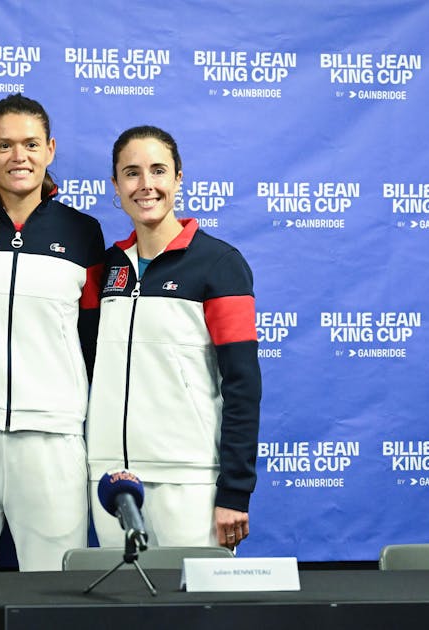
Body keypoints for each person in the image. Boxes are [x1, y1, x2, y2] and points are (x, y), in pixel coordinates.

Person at [0, 94, 105, 572]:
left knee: (55, 588)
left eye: (30, 144)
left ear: (50, 149)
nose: (19, 156)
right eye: (4, 145)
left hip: (52, 434)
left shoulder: (83, 232)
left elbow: (92, 337)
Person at [86, 125, 261, 551]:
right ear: (115, 184)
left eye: (158, 171)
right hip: (112, 478)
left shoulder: (220, 264)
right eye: (131, 173)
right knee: (120, 609)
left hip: (190, 478)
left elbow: (242, 384)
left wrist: (235, 491)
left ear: (178, 178)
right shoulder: (103, 268)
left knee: (197, 613)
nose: (146, 185)